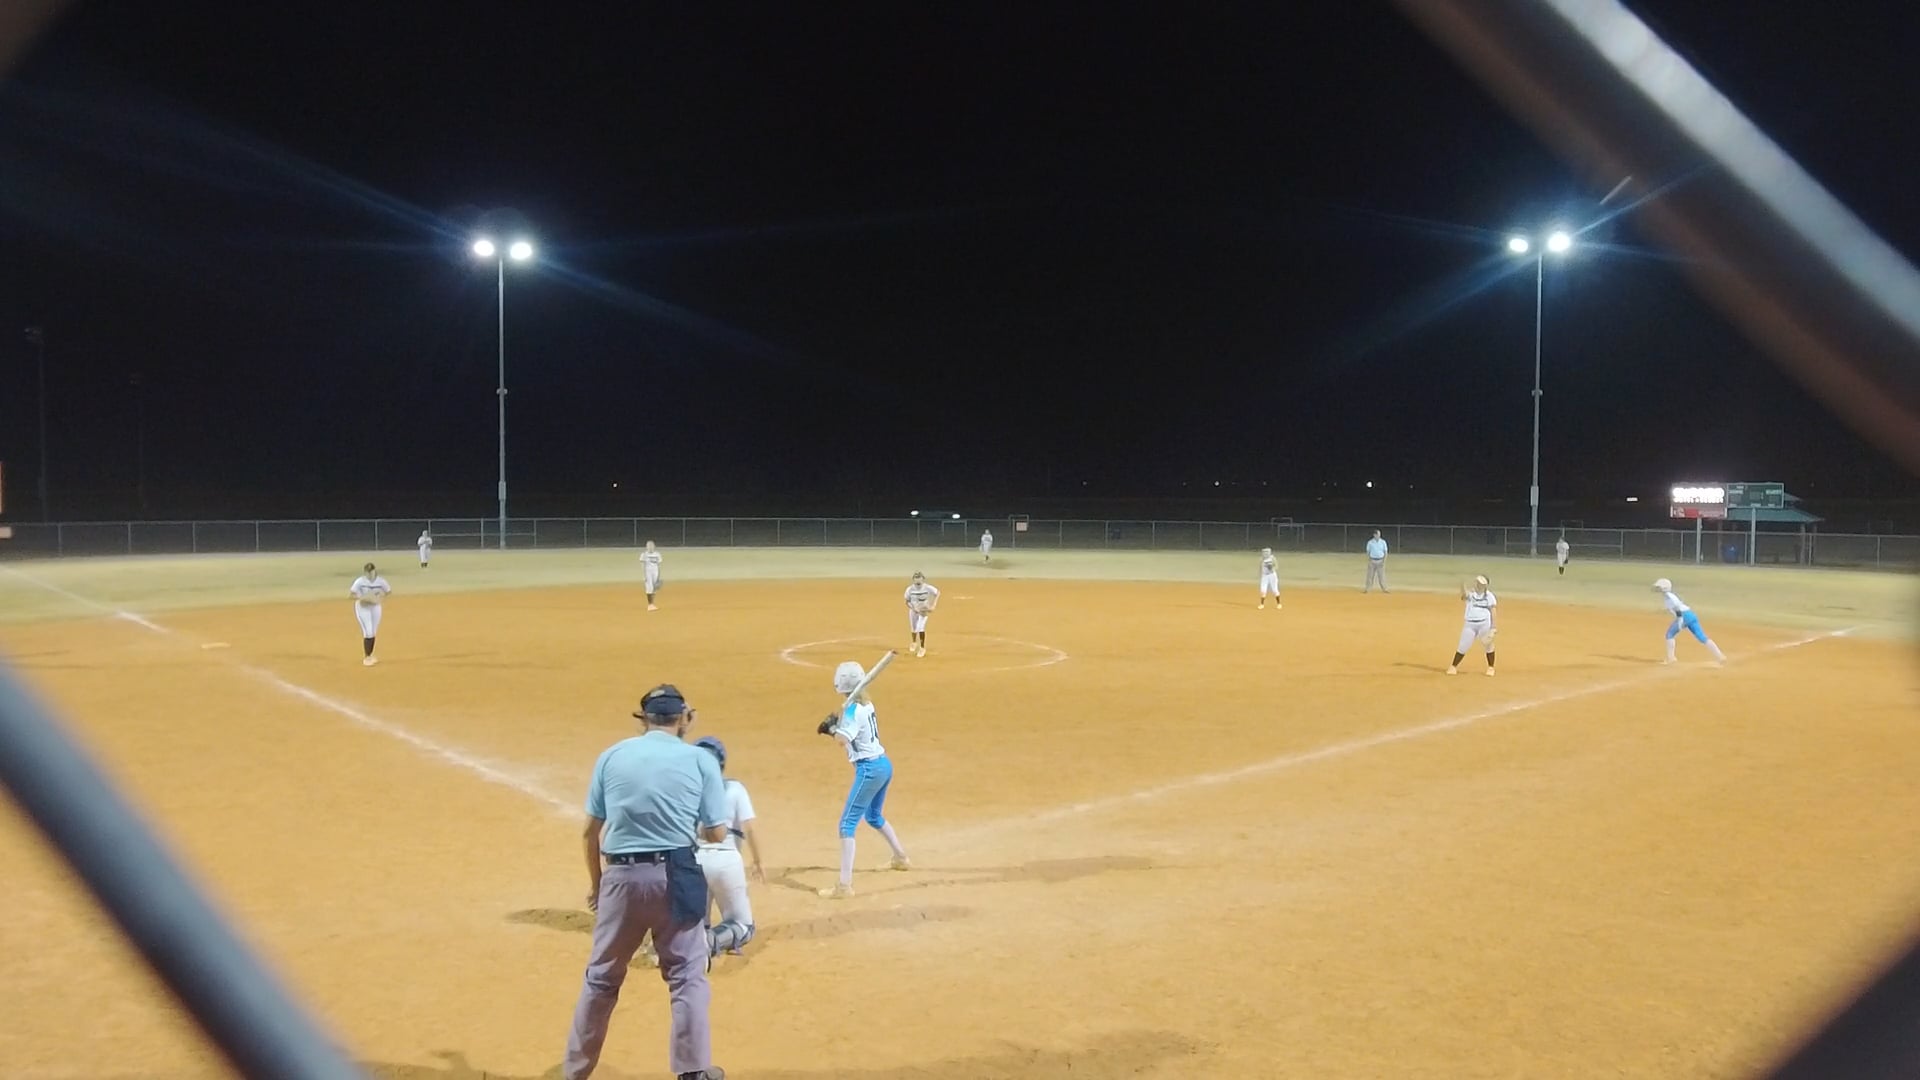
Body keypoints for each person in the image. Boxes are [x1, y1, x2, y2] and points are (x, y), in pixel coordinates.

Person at [563, 685, 730, 1080]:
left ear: (644, 719)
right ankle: (693, 1072)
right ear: (684, 718)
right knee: (687, 977)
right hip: (676, 875)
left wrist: (598, 886)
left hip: (620, 879)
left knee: (600, 979)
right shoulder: (700, 760)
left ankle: (575, 1072)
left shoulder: (612, 756)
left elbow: (590, 833)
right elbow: (718, 833)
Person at [815, 660, 911, 898]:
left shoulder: (852, 710)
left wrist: (831, 730)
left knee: (846, 825)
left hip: (869, 770)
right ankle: (901, 858)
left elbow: (842, 740)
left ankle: (844, 886)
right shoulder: (866, 704)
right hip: (883, 765)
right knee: (873, 816)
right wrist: (838, 725)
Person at [693, 736, 764, 957]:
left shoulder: (685, 792)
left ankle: (686, 945)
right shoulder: (735, 789)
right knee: (744, 927)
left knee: (695, 925)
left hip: (694, 861)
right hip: (726, 862)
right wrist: (758, 861)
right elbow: (750, 828)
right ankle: (711, 943)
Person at [1653, 578, 1728, 665]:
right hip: (1690, 614)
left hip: (1684, 616)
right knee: (1702, 637)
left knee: (1669, 635)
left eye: (1659, 587)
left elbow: (1677, 608)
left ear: (1664, 588)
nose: (1657, 589)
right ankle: (1720, 656)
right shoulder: (1670, 595)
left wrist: (1680, 620)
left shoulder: (1669, 596)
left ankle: (1671, 658)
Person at [1447, 574, 1497, 677]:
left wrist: (1493, 627)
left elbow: (1493, 611)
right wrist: (1462, 585)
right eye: (1477, 583)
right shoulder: (1471, 594)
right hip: (1470, 624)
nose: (1478, 585)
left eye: (1480, 583)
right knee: (1463, 645)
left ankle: (1491, 667)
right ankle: (1453, 666)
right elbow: (1464, 595)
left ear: (1485, 585)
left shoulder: (1489, 596)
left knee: (1488, 645)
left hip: (1484, 623)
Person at [349, 562, 389, 666]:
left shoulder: (380, 581)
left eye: (371, 571)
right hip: (363, 607)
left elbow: (388, 591)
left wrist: (380, 596)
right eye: (368, 572)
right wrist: (363, 598)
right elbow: (351, 594)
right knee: (368, 631)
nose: (370, 573)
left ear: (375, 571)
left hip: (375, 607)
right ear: (365, 572)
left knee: (373, 631)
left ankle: (370, 655)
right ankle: (367, 658)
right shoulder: (360, 581)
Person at [903, 571, 939, 657]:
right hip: (914, 611)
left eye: (919, 579)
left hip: (923, 611)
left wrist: (933, 605)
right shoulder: (910, 589)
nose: (918, 581)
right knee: (913, 628)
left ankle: (922, 648)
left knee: (920, 628)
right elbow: (907, 602)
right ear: (913, 580)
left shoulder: (927, 587)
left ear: (923, 579)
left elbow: (937, 593)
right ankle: (914, 642)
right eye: (916, 579)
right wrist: (913, 608)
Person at [641, 540, 663, 611]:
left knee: (654, 588)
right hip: (648, 573)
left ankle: (652, 604)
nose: (650, 547)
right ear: (646, 547)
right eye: (648, 546)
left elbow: (659, 566)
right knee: (649, 587)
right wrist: (644, 575)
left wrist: (659, 576)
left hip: (655, 572)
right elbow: (643, 565)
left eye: (651, 546)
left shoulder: (657, 554)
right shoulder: (644, 554)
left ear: (654, 546)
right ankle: (650, 605)